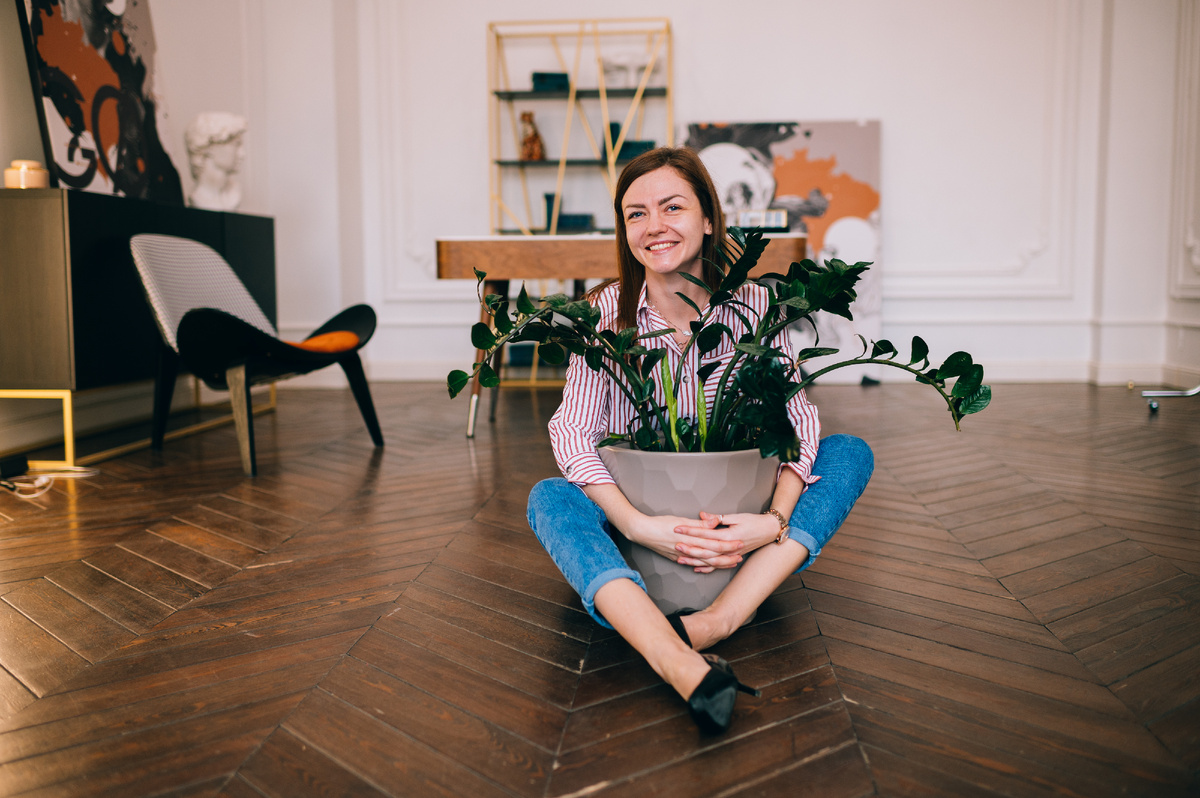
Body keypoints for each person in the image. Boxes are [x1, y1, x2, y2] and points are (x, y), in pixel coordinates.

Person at [526, 147, 873, 735]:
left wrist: (772, 522)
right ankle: (676, 659)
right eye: (636, 214)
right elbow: (572, 430)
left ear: (708, 219)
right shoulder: (602, 312)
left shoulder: (755, 305)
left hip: (740, 524)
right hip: (644, 528)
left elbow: (796, 422)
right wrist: (639, 526)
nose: (653, 226)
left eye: (672, 207)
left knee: (848, 454)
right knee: (549, 497)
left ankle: (719, 619)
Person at [184, 112, 247, 211]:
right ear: (210, 147)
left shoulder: (234, 193)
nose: (242, 154)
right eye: (236, 144)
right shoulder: (199, 198)